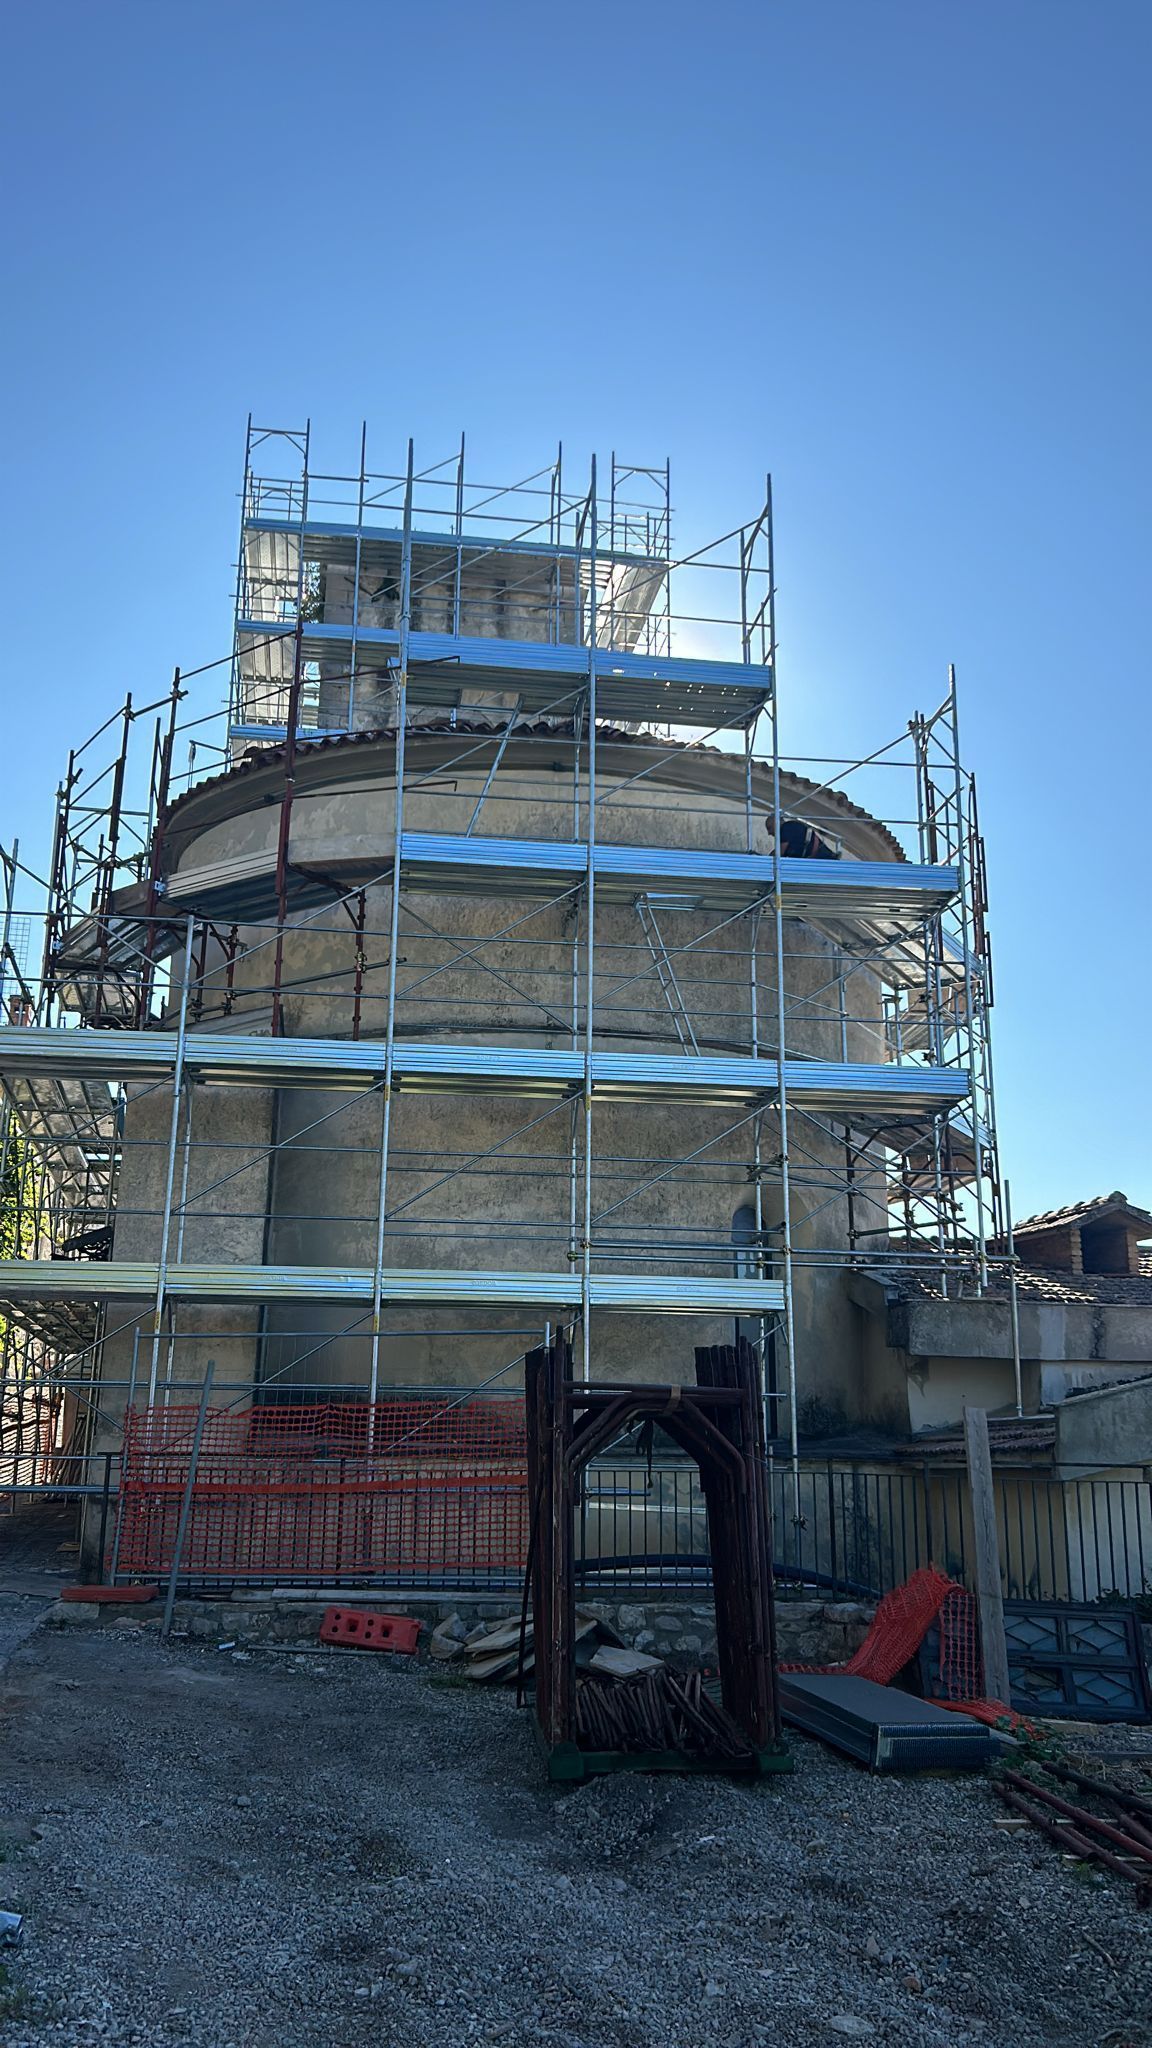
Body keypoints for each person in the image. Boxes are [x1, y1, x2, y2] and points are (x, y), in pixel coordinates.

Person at [770, 815, 840, 859]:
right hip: (819, 855)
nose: (769, 833)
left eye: (769, 828)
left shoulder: (786, 827)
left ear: (776, 822)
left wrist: (767, 859)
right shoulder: (791, 828)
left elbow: (779, 852)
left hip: (821, 855)